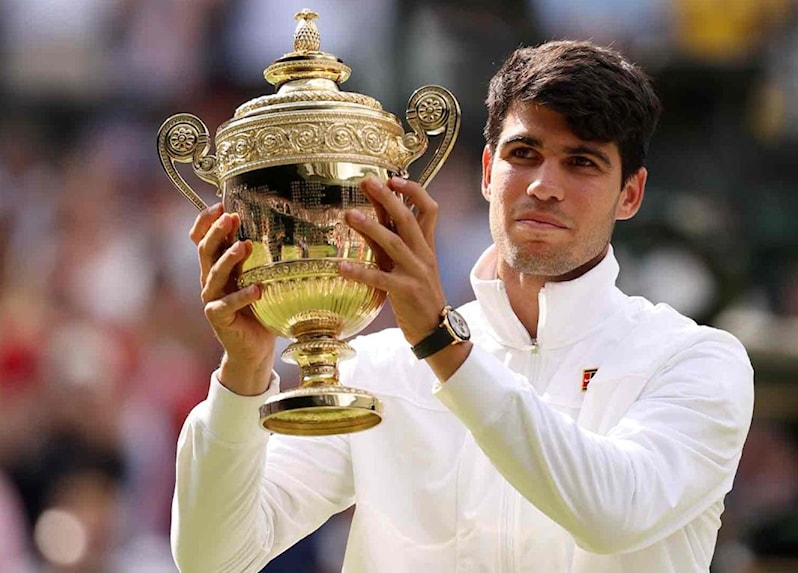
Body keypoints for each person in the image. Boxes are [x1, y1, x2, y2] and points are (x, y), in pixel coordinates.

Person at [171, 41, 754, 572]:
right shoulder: (377, 369)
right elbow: (214, 559)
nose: (543, 185)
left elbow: (613, 514)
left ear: (631, 194)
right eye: (524, 153)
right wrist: (243, 376)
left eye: (582, 162)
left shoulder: (695, 360)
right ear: (485, 171)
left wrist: (439, 344)